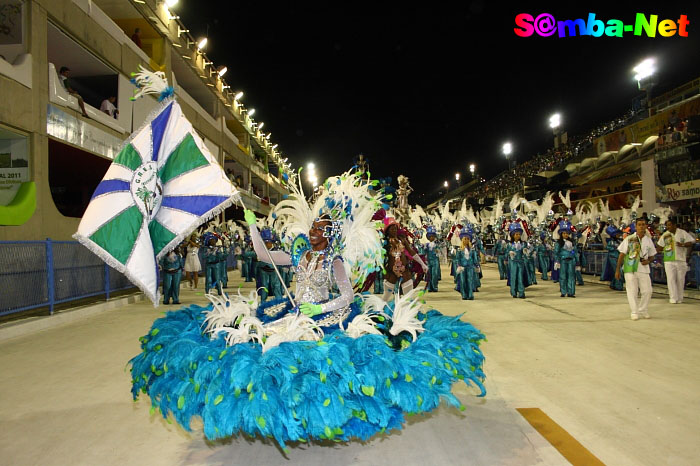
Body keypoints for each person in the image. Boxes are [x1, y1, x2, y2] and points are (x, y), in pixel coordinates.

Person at [615, 218, 657, 320]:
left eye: (643, 224)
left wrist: (648, 261)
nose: (641, 226)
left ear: (646, 226)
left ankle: (643, 309)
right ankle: (634, 311)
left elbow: (652, 256)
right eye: (639, 224)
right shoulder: (629, 239)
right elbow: (622, 254)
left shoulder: (648, 240)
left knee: (647, 291)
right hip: (630, 268)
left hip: (643, 268)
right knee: (632, 291)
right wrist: (617, 269)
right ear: (636, 226)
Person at [381, 217, 428, 302]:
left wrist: (422, 264)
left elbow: (412, 252)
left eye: (395, 228)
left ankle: (407, 313)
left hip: (405, 270)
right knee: (386, 296)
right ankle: (379, 311)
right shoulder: (385, 243)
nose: (394, 231)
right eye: (391, 229)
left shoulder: (402, 240)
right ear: (387, 231)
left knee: (408, 296)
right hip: (391, 271)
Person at [656, 219, 695, 304]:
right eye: (667, 225)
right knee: (671, 279)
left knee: (680, 280)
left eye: (669, 225)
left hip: (681, 260)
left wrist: (683, 244)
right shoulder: (665, 235)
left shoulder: (682, 233)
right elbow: (660, 246)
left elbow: (691, 242)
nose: (668, 227)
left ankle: (680, 298)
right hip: (668, 260)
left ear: (674, 225)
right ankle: (673, 297)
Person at [553, 221, 577, 298]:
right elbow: (556, 252)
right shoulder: (559, 243)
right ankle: (563, 292)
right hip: (562, 261)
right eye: (564, 233)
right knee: (562, 276)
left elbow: (575, 252)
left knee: (571, 276)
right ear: (561, 234)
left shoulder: (572, 242)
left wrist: (577, 261)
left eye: (567, 233)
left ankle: (571, 292)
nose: (566, 234)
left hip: (571, 261)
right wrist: (557, 261)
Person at [600, 225, 624, 291]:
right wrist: (614, 248)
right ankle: (618, 286)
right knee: (618, 272)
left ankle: (613, 284)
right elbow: (607, 247)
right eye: (617, 234)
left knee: (616, 272)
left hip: (618, 258)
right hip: (613, 258)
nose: (618, 235)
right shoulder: (611, 242)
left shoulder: (619, 242)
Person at [454, 228, 476, 300]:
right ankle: (464, 294)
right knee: (463, 281)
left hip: (470, 267)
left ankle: (470, 294)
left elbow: (474, 258)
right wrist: (459, 266)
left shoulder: (472, 250)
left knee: (470, 281)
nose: (466, 240)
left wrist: (477, 265)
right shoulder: (459, 250)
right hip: (463, 267)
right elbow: (457, 259)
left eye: (467, 239)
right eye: (464, 239)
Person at [424, 225, 441, 292]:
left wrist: (438, 252)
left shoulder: (436, 245)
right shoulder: (426, 245)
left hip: (435, 261)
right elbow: (424, 253)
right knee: (429, 274)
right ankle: (429, 287)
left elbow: (440, 254)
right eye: (430, 237)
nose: (431, 238)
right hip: (429, 261)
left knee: (435, 274)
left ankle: (435, 287)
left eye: (433, 236)